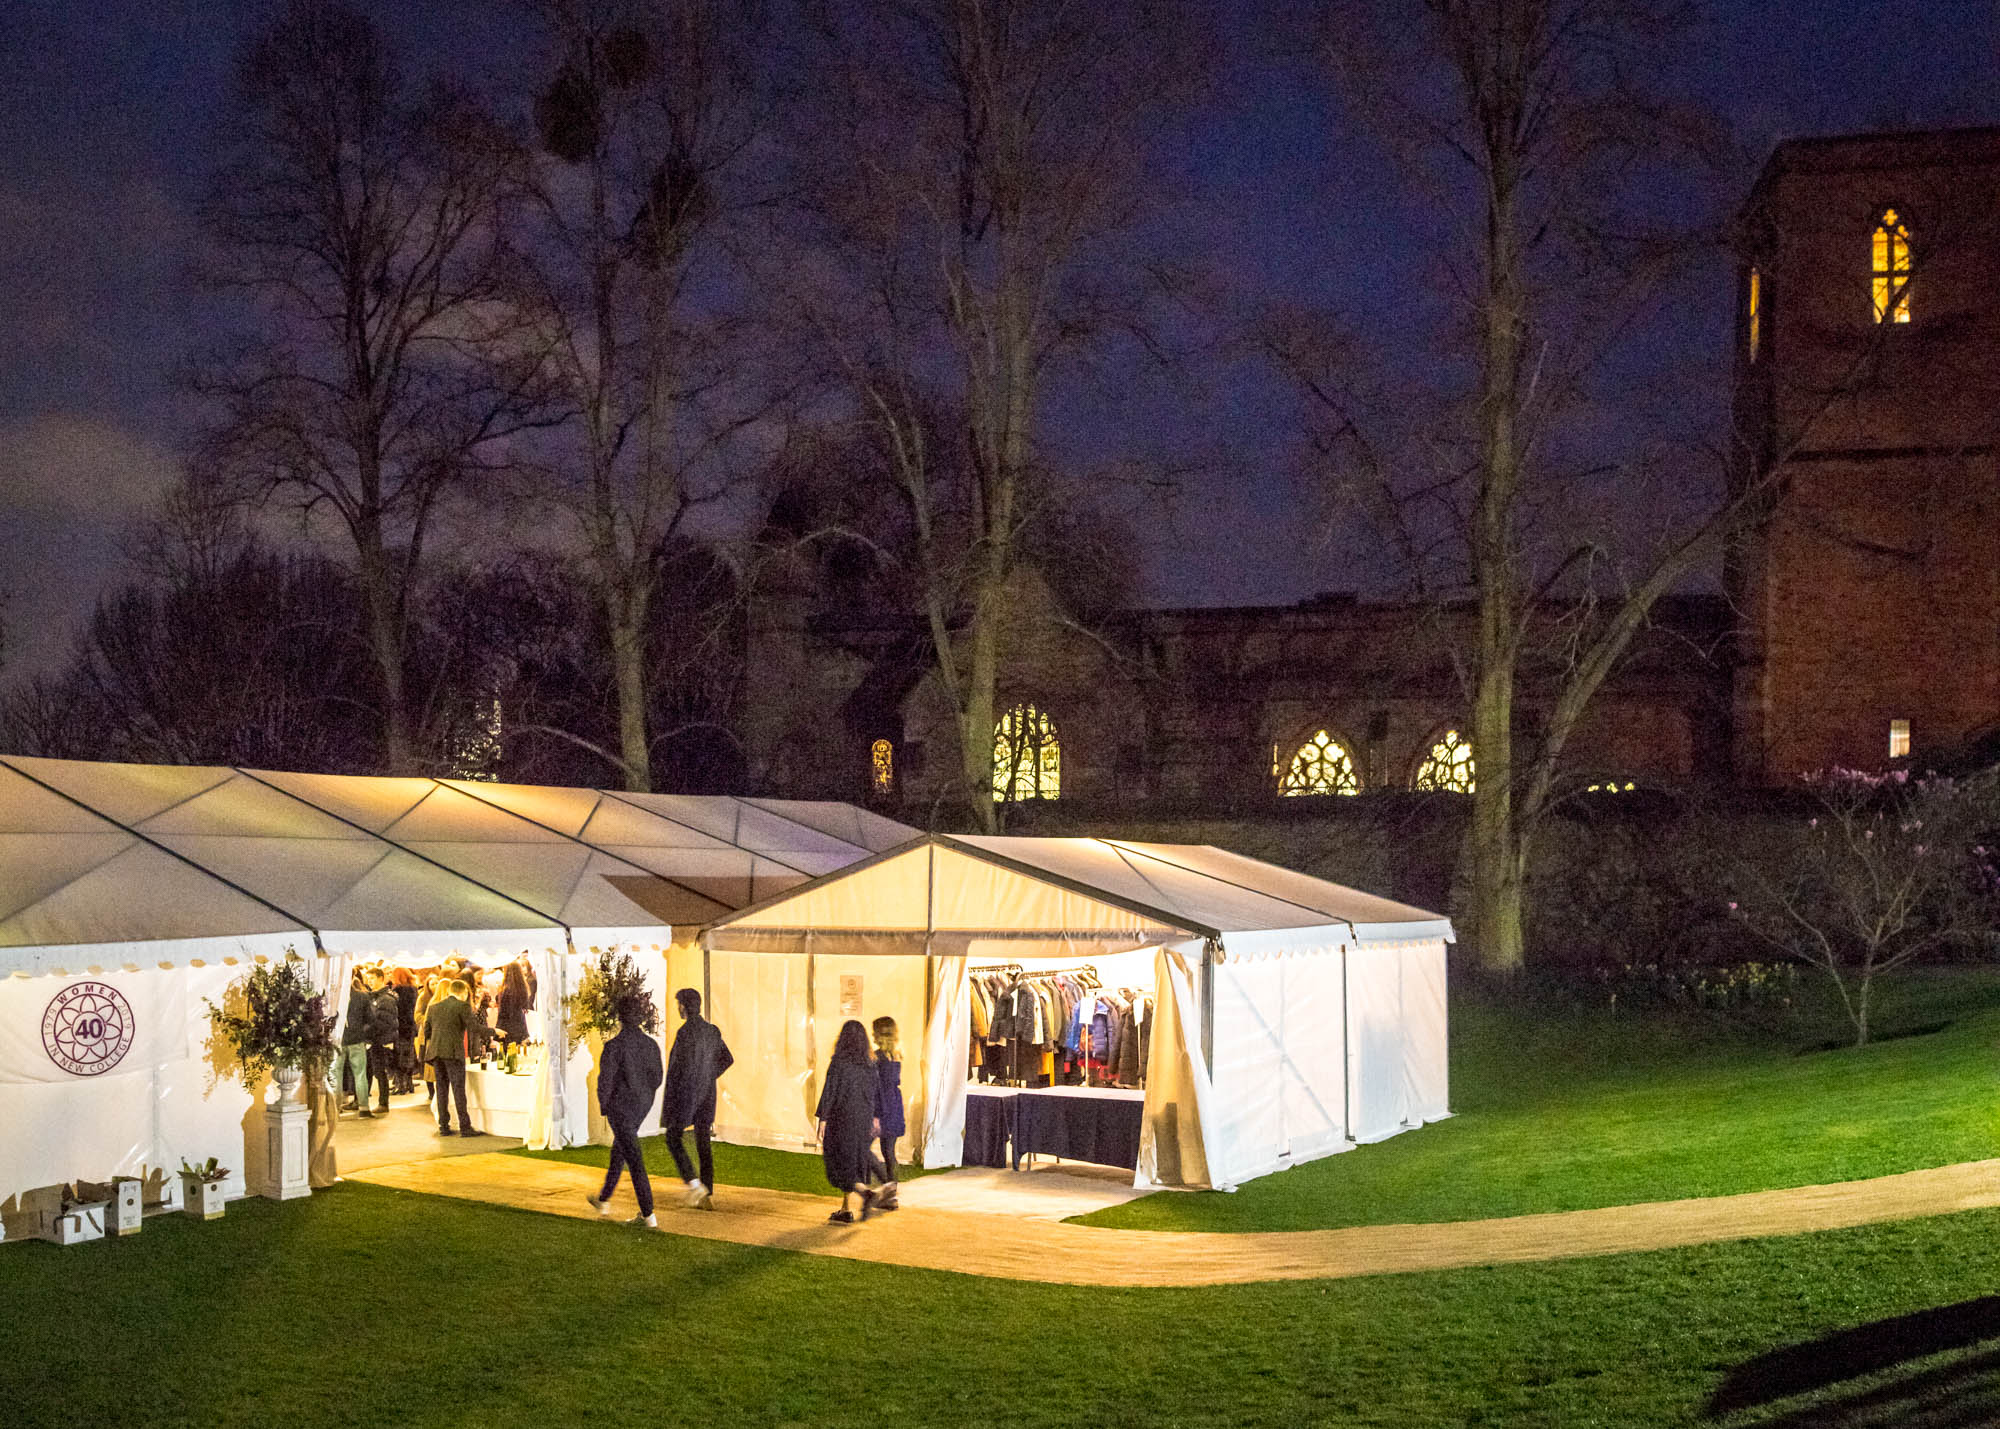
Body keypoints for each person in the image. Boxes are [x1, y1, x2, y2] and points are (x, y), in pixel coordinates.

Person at [585, 993, 664, 1228]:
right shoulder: (650, 1045)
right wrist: (644, 1096)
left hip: (621, 1108)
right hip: (641, 1106)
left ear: (620, 1017)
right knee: (619, 1152)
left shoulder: (614, 1047)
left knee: (633, 1159)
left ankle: (649, 1216)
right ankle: (604, 1199)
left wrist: (605, 1106)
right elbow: (657, 1077)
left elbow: (605, 1081)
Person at [661, 988, 733, 1209]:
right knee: (703, 1142)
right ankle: (707, 1193)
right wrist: (709, 1075)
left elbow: (676, 1069)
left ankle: (694, 1184)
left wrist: (671, 1101)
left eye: (679, 1005)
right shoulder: (712, 1031)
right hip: (707, 1094)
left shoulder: (685, 1033)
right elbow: (727, 1059)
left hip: (687, 1094)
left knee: (673, 1138)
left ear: (683, 1006)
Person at [815, 1019, 880, 1224]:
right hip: (863, 1119)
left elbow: (830, 1091)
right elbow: (875, 1093)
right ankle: (845, 1208)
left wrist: (823, 1119)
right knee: (854, 1160)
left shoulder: (839, 1062)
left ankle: (864, 1193)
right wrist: (875, 1118)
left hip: (841, 1118)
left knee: (837, 1161)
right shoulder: (870, 1064)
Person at [424, 978, 483, 1137]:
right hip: (453, 1053)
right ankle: (465, 1127)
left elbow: (427, 1031)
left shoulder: (433, 1007)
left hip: (436, 1053)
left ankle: (443, 1125)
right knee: (458, 1089)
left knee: (441, 1089)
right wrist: (494, 1032)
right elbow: (474, 1028)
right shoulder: (462, 1006)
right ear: (463, 992)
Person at [870, 1016, 905, 1211]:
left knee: (865, 1150)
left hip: (881, 1107)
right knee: (890, 1153)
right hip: (894, 1106)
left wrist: (875, 1114)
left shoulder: (877, 1058)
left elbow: (878, 1088)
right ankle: (891, 1196)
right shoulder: (897, 1055)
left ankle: (883, 1189)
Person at [335, 969, 372, 1116]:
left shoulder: (333, 997)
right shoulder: (362, 996)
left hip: (338, 1039)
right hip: (357, 1040)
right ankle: (364, 1108)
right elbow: (371, 1019)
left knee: (336, 1074)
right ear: (353, 977)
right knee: (360, 1074)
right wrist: (362, 1033)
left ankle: (336, 1108)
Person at [364, 968, 399, 1113]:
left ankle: (383, 1103)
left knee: (380, 1072)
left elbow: (385, 1021)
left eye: (372, 978)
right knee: (372, 1071)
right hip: (373, 1039)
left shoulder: (386, 999)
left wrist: (367, 1029)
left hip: (380, 1040)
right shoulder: (372, 997)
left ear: (380, 978)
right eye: (368, 978)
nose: (369, 981)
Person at [389, 968, 419, 1095]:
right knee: (409, 1056)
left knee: (398, 1057)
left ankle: (401, 1085)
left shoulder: (396, 991)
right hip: (410, 1027)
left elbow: (396, 1010)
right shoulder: (413, 989)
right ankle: (409, 1083)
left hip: (399, 1027)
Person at [496, 962, 532, 1048]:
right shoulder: (523, 988)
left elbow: (503, 1012)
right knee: (518, 1052)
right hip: (520, 1023)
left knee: (508, 1054)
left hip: (507, 1026)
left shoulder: (506, 989)